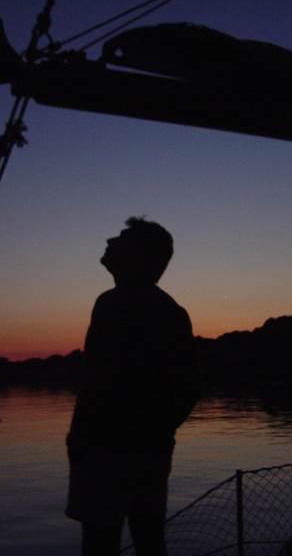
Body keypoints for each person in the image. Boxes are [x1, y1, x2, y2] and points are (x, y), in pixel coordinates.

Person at [66, 216, 200, 556]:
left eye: (121, 239)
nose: (110, 241)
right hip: (148, 450)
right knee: (149, 540)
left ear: (139, 255)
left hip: (105, 450)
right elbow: (190, 385)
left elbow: (98, 381)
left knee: (100, 543)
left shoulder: (111, 304)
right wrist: (158, 431)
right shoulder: (171, 311)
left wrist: (86, 438)